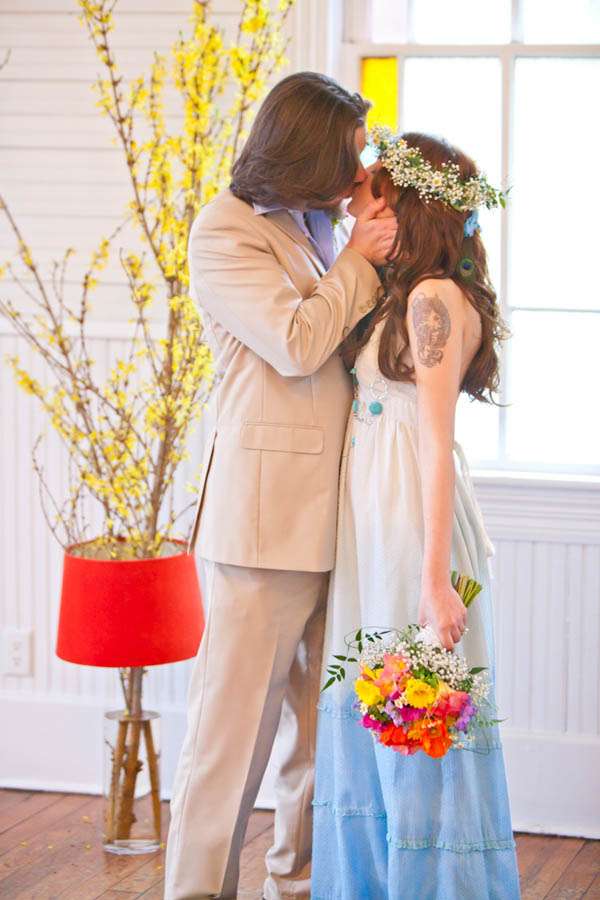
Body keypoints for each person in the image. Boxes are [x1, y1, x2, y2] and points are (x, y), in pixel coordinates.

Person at [163, 73, 397, 900]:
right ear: (305, 150)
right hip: (262, 527)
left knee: (320, 739)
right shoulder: (224, 230)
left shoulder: (317, 226)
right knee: (229, 743)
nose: (359, 166)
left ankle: (297, 885)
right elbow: (297, 344)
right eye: (349, 151)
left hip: (341, 519)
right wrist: (360, 259)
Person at [311, 129, 522, 899]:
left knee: (413, 715)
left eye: (370, 193)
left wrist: (434, 582)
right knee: (379, 711)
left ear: (406, 204)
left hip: (409, 524)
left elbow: (435, 444)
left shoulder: (434, 299)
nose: (354, 204)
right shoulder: (407, 291)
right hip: (377, 521)